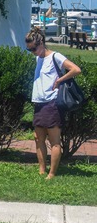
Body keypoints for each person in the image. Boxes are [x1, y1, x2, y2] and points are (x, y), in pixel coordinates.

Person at [25, 27, 81, 179]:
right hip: (38, 103)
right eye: (30, 50)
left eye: (34, 48)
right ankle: (41, 170)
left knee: (54, 140)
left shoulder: (55, 56)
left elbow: (76, 69)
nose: (33, 52)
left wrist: (60, 80)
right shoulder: (38, 58)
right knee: (38, 138)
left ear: (41, 43)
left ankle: (52, 173)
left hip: (52, 103)